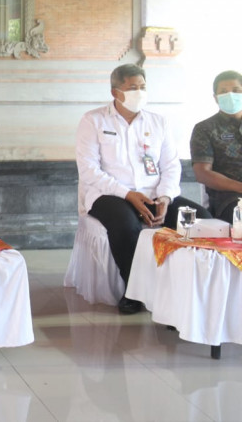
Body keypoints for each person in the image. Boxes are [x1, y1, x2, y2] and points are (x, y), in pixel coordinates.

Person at [75, 63, 206, 315]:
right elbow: (89, 169)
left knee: (200, 220)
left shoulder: (158, 122)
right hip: (110, 194)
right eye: (132, 87)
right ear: (115, 92)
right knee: (126, 226)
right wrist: (128, 194)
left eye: (143, 87)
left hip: (154, 193)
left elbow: (171, 165)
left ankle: (190, 288)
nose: (139, 92)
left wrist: (165, 197)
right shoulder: (93, 120)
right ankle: (133, 291)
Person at [190, 70, 242, 223]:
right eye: (224, 92)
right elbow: (203, 173)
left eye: (236, 90)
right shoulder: (205, 129)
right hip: (229, 198)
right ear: (215, 98)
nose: (230, 95)